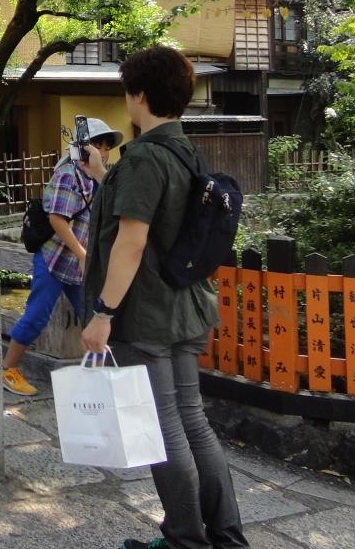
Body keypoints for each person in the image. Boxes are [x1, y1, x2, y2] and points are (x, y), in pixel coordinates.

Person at [79, 46, 246, 549]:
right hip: (186, 306)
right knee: (192, 419)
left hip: (147, 314)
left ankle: (183, 539)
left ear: (139, 95)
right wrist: (103, 176)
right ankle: (224, 535)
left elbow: (131, 242)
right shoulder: (185, 150)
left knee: (163, 425)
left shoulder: (145, 157)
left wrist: (103, 313)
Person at [1, 117, 124, 397]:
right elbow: (57, 219)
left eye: (107, 147)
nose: (104, 152)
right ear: (84, 147)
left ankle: (98, 379)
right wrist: (82, 254)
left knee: (95, 318)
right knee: (36, 315)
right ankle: (8, 369)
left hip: (79, 265)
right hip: (55, 259)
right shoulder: (69, 173)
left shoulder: (98, 177)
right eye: (99, 146)